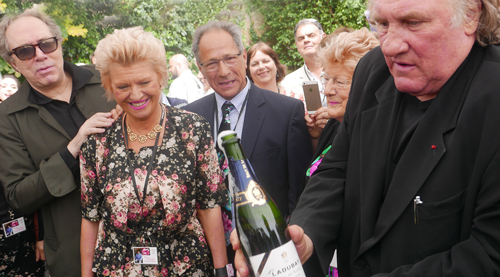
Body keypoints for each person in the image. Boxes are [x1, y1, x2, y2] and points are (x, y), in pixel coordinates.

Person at [232, 0, 500, 275]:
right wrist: (303, 237)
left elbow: (489, 255)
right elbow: (338, 170)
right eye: (382, 24)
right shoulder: (373, 71)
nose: (390, 46)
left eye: (413, 23)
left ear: (471, 15)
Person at [80, 26, 228, 277]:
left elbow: (209, 206)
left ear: (161, 78)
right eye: (123, 86)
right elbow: (91, 216)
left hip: (186, 267)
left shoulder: (193, 129)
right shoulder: (97, 141)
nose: (136, 94)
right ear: (109, 86)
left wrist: (222, 270)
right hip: (118, 269)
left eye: (144, 82)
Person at [184, 20, 312, 272]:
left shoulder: (285, 112)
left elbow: (300, 191)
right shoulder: (189, 118)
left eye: (230, 58)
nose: (223, 71)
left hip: (272, 254)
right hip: (210, 258)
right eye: (211, 63)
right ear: (200, 67)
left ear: (244, 57)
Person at [0, 8, 117, 276]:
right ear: (13, 63)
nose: (40, 55)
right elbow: (18, 196)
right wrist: (71, 150)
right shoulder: (8, 117)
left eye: (46, 44)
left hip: (139, 240)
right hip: (72, 253)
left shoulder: (107, 80)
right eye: (25, 51)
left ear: (59, 42)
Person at [280, 18, 326, 107]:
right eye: (301, 38)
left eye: (311, 35)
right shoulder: (287, 83)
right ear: (297, 45)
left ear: (323, 37)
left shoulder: (342, 71)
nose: (306, 40)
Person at [246, 41, 305, 106]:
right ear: (248, 72)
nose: (261, 67)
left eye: (266, 61)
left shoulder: (296, 98)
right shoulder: (243, 101)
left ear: (276, 65)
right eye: (255, 64)